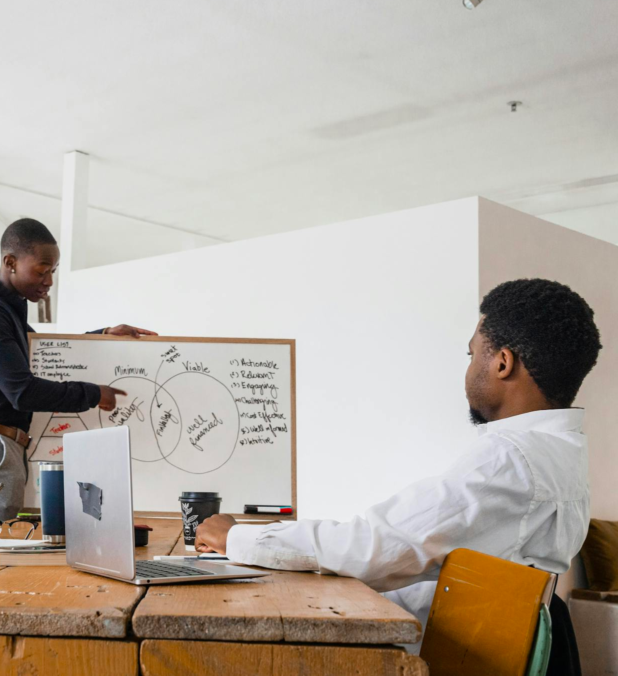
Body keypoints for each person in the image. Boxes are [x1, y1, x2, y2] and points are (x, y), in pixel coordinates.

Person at [194, 278, 600, 649]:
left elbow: (377, 547)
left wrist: (238, 537)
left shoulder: (511, 457)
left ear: (502, 363)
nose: (469, 368)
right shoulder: (565, 451)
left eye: (472, 353)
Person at [0, 218, 156, 521]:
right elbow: (22, 391)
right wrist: (93, 393)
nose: (49, 281)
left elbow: (45, 353)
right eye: (42, 270)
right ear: (10, 262)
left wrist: (102, 334)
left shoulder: (5, 309)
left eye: (52, 272)